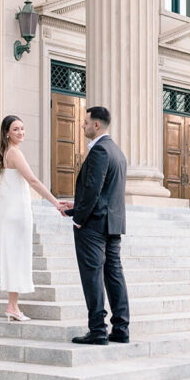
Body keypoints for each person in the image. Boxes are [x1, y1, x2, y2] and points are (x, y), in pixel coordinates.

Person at [59, 106, 130, 345]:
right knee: (114, 274)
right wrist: (75, 205)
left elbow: (93, 189)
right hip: (113, 224)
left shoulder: (100, 150)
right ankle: (121, 328)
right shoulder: (117, 151)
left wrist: (77, 217)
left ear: (96, 125)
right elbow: (107, 192)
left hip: (94, 226)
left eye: (85, 121)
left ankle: (98, 330)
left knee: (92, 276)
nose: (82, 125)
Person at [0, 115, 64, 321]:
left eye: (23, 129)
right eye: (16, 129)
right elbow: (33, 181)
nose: (21, 132)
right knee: (16, 256)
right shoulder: (14, 153)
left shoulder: (8, 152)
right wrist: (55, 202)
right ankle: (12, 306)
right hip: (16, 212)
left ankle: (13, 305)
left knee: (13, 256)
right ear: (7, 132)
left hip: (9, 211)